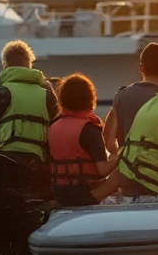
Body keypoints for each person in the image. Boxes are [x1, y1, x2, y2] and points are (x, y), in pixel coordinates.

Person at [0, 40, 58, 177]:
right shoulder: (48, 96)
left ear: (5, 65)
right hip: (38, 166)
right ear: (29, 65)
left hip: (7, 164)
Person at [47, 73, 119, 207]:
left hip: (59, 192)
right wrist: (120, 158)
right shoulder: (89, 128)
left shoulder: (53, 126)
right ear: (90, 98)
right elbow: (103, 170)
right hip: (84, 194)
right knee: (121, 172)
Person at [103, 42, 158, 153]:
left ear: (141, 68)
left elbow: (109, 141)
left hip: (127, 167)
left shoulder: (121, 96)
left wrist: (122, 159)